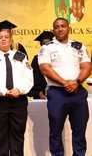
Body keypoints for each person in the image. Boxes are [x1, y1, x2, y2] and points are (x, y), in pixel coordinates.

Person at [38, 17, 91, 156]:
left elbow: (86, 66)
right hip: (57, 93)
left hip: (78, 92)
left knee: (79, 131)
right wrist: (65, 82)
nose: (60, 29)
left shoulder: (79, 46)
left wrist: (77, 82)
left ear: (69, 28)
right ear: (53, 30)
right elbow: (45, 68)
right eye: (56, 27)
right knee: (55, 132)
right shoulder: (47, 47)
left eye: (63, 26)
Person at [0, 28, 33, 156]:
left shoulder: (21, 56)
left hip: (18, 101)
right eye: (0, 37)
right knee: (0, 137)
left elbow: (29, 77)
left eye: (6, 37)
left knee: (18, 136)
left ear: (11, 40)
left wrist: (19, 90)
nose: (3, 39)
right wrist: (4, 91)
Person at [28, 30, 54, 99]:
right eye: (44, 44)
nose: (46, 46)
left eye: (49, 43)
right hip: (42, 95)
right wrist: (38, 92)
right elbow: (35, 77)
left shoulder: (59, 57)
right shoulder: (37, 59)